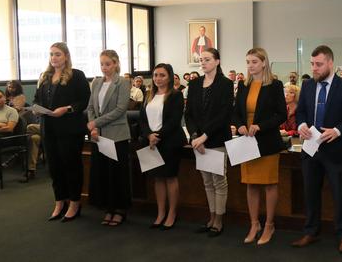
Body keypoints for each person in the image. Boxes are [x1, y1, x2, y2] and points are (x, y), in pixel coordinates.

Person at [290, 45, 342, 253]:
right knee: (310, 193)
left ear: (330, 63)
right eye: (312, 64)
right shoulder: (308, 85)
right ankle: (310, 231)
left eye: (319, 64)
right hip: (310, 149)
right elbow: (301, 112)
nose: (314, 68)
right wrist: (301, 126)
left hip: (335, 150)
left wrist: (337, 130)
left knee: (339, 194)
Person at [232, 48, 287, 245]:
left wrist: (260, 126)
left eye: (254, 62)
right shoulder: (243, 84)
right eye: (247, 62)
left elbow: (281, 115)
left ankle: (269, 225)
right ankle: (254, 224)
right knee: (251, 184)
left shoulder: (275, 85)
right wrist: (239, 124)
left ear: (264, 63)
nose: (250, 65)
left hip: (267, 141)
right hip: (246, 142)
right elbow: (236, 111)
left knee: (269, 184)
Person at [34, 42, 90, 222]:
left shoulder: (77, 75)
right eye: (51, 54)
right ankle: (60, 201)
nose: (54, 58)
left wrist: (67, 108)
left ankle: (74, 202)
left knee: (71, 166)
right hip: (48, 128)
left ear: (66, 56)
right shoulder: (45, 77)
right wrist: (36, 108)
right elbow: (37, 99)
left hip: (69, 129)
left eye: (57, 54)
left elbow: (84, 100)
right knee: (55, 167)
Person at [185, 48, 234, 237]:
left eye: (207, 59)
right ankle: (211, 216)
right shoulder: (195, 83)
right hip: (199, 140)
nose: (203, 63)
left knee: (219, 181)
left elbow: (224, 115)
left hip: (217, 138)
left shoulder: (225, 84)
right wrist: (195, 135)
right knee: (207, 181)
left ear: (217, 61)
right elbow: (188, 113)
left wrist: (204, 136)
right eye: (201, 60)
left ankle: (219, 219)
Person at [86, 50, 132, 227]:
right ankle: (108, 208)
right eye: (102, 64)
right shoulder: (96, 82)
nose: (104, 68)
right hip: (99, 135)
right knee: (103, 173)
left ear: (116, 64)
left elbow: (120, 110)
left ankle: (120, 210)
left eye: (108, 64)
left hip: (117, 135)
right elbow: (90, 107)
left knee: (117, 174)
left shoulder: (122, 83)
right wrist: (94, 125)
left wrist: (96, 122)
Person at [139, 63, 187, 230]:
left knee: (170, 178)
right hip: (151, 143)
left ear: (169, 77)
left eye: (162, 75)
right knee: (158, 178)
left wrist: (157, 136)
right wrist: (148, 135)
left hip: (170, 142)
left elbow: (174, 121)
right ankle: (160, 213)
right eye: (155, 75)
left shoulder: (176, 95)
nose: (158, 78)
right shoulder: (149, 95)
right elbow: (142, 120)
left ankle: (172, 213)